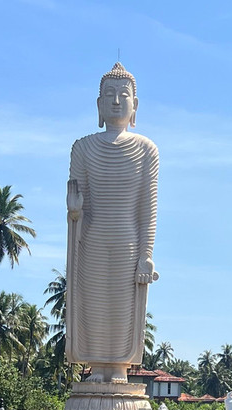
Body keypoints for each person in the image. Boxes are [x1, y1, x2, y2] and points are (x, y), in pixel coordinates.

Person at [65, 62, 159, 385]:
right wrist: (74, 212)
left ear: (135, 105)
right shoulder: (82, 148)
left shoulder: (146, 150)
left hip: (128, 242)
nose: (117, 101)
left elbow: (148, 207)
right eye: (109, 95)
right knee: (93, 303)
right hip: (91, 239)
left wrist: (146, 255)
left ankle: (119, 366)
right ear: (99, 104)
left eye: (123, 95)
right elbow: (78, 199)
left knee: (122, 307)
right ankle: (96, 366)